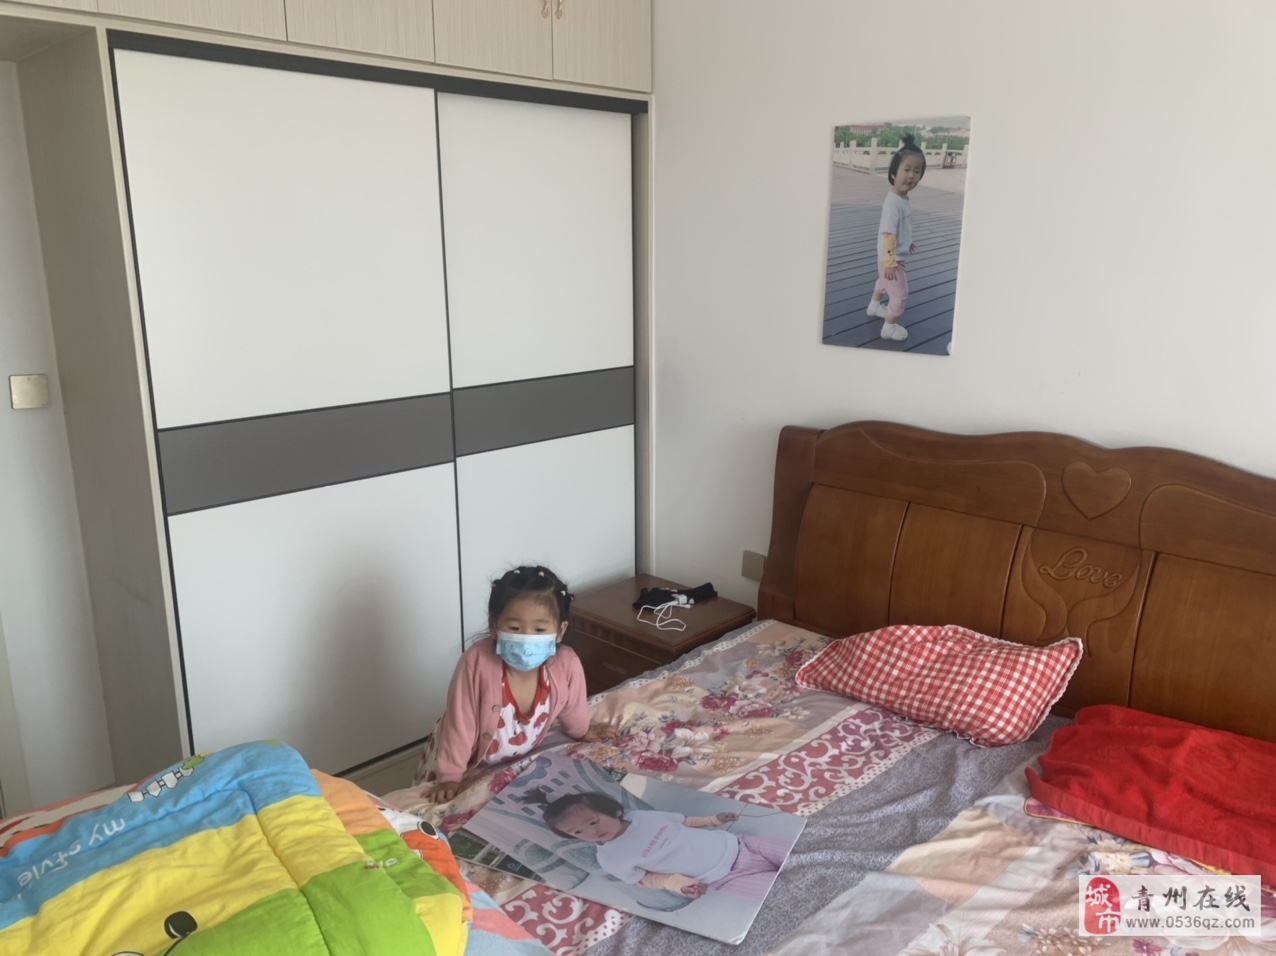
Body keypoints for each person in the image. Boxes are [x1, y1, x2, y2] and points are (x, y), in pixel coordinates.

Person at [412, 565, 611, 803]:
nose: (527, 639)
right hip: (460, 758)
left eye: (539, 629)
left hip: (515, 756)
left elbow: (573, 705)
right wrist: (449, 776)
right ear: (494, 627)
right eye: (515, 628)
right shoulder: (476, 662)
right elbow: (460, 723)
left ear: (560, 631)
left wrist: (582, 731)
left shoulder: (566, 663)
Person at [543, 793, 789, 901]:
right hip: (722, 878)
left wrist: (713, 820)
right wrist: (679, 885)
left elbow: (683, 822)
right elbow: (647, 880)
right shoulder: (610, 858)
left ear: (615, 811)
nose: (591, 832)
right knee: (786, 889)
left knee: (794, 854)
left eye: (592, 822)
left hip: (741, 844)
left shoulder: (642, 817)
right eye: (578, 832)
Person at [865, 133, 926, 342]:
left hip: (890, 255)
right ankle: (888, 328)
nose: (911, 176)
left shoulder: (902, 198)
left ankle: (874, 306)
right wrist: (890, 262)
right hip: (891, 260)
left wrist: (906, 242)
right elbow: (888, 233)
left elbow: (899, 230)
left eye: (917, 171)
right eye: (906, 170)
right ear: (893, 172)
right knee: (900, 295)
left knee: (883, 282)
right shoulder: (893, 204)